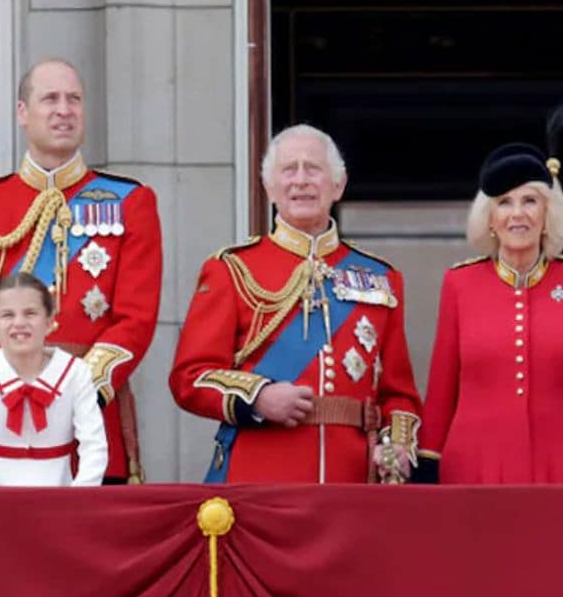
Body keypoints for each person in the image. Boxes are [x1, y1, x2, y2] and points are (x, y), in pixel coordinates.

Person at [0, 58, 161, 483]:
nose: (64, 110)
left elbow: (136, 318)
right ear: (23, 113)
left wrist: (74, 389)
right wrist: (6, 382)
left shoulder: (131, 201)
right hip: (0, 419)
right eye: (51, 99)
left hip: (91, 418)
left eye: (74, 99)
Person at [169, 125, 421, 484]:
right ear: (269, 187)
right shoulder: (231, 269)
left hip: (351, 480)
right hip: (260, 478)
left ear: (339, 184)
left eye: (313, 169)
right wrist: (258, 397)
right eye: (289, 170)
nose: (301, 180)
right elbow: (189, 378)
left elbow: (400, 395)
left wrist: (395, 447)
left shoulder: (382, 278)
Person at [417, 144, 563, 484]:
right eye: (504, 202)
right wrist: (427, 463)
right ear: (490, 220)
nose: (517, 214)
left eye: (529, 201)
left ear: (546, 215)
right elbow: (440, 392)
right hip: (474, 467)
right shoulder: (459, 283)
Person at [0, 273, 107, 487]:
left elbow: (94, 445)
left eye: (30, 313)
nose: (19, 323)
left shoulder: (75, 372)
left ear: (50, 322)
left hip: (60, 502)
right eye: (7, 315)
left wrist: (77, 500)